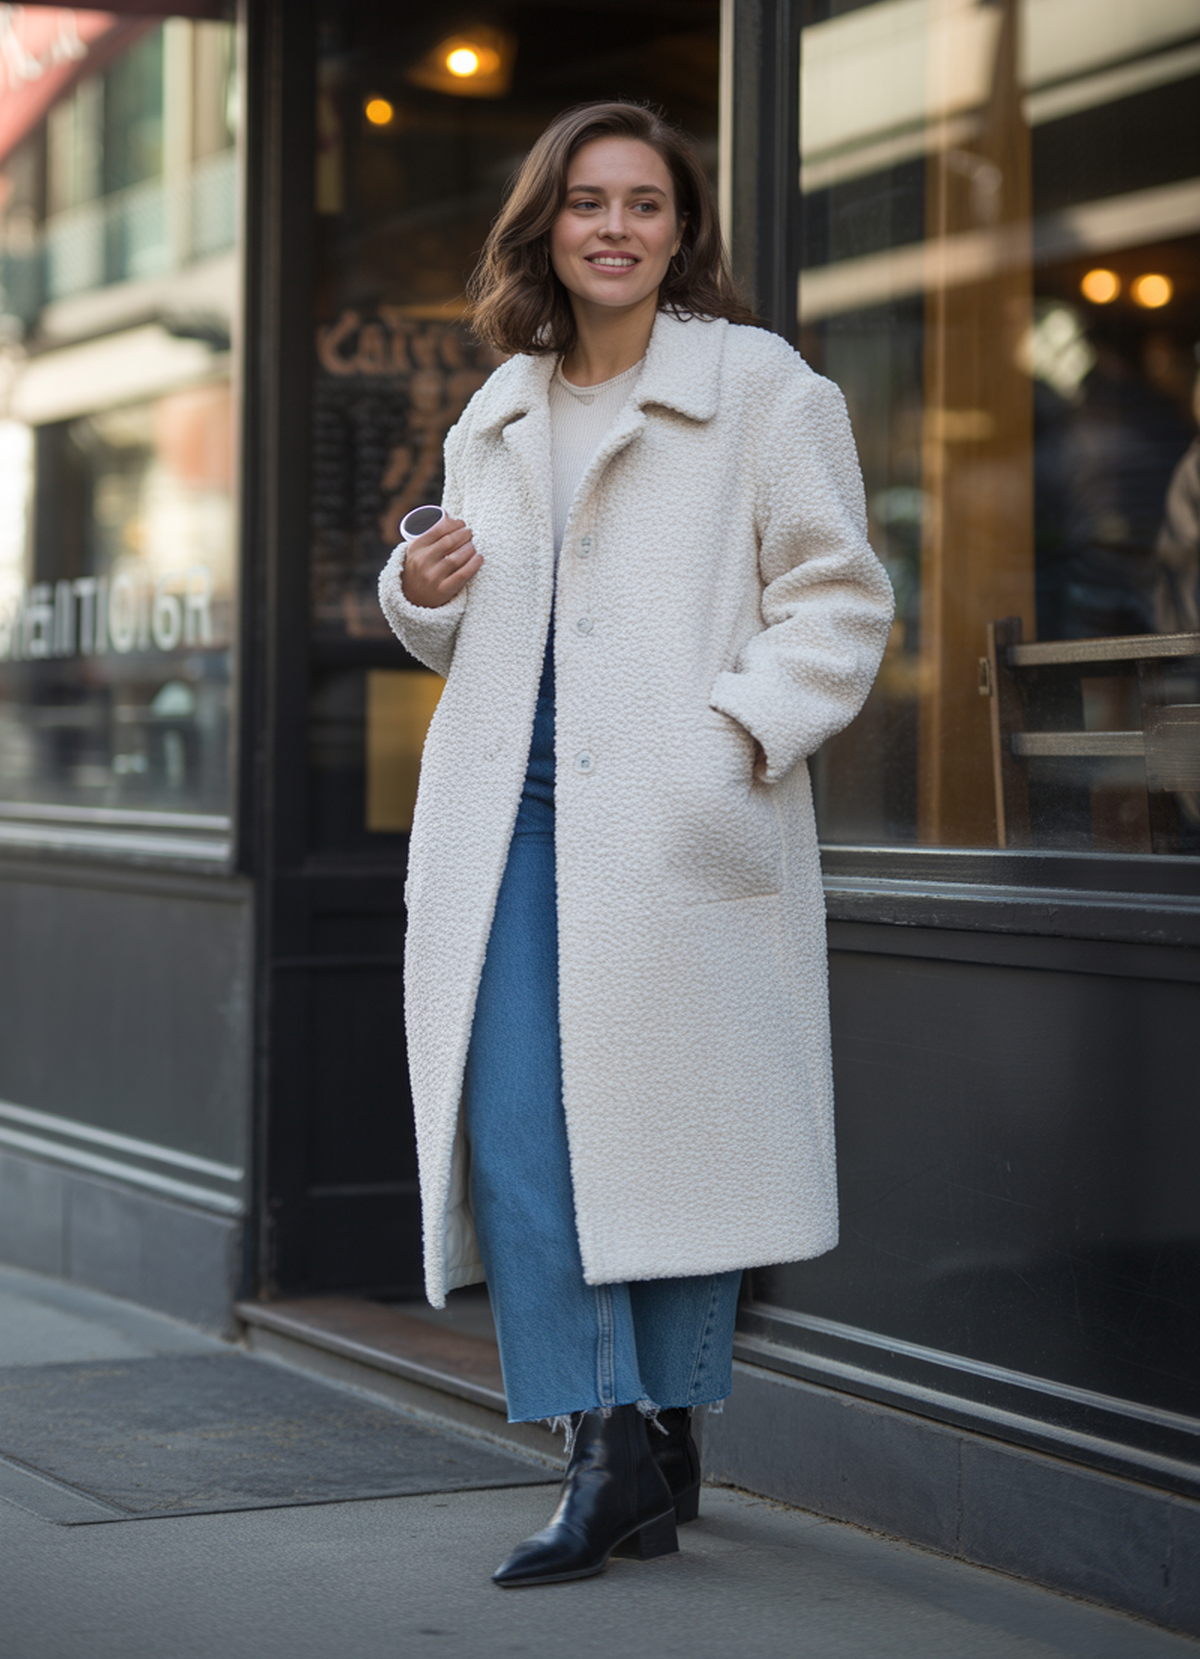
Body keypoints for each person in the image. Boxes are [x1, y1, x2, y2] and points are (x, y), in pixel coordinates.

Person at [379, 101, 893, 1587]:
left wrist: (729, 743)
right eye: (587, 202)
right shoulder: (503, 403)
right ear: (546, 224)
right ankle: (604, 1442)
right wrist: (424, 582)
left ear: (682, 231)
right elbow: (454, 624)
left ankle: (655, 1431)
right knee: (528, 1124)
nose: (614, 227)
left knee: (664, 1130)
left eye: (645, 204)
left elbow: (841, 598)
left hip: (672, 816)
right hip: (513, 813)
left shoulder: (761, 389)